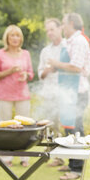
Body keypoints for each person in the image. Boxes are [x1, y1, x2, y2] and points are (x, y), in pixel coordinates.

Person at [48, 13, 90, 180]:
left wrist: (56, 64)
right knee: (68, 128)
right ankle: (72, 162)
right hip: (68, 92)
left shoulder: (79, 41)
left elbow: (76, 67)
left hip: (77, 93)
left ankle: (77, 169)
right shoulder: (70, 42)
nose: (62, 28)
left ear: (71, 24)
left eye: (63, 24)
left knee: (76, 130)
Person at [0, 25, 34, 167]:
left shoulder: (26, 54)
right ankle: (6, 157)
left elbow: (31, 74)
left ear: (21, 38)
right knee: (5, 127)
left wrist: (26, 75)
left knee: (24, 127)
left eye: (18, 35)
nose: (15, 38)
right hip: (4, 95)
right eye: (12, 35)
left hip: (23, 95)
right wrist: (9, 71)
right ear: (7, 38)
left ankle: (24, 157)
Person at [37, 18, 66, 167]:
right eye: (47, 30)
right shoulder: (45, 51)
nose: (49, 33)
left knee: (63, 126)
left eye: (52, 29)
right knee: (50, 126)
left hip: (65, 93)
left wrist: (58, 67)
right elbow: (40, 73)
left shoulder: (67, 47)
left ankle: (61, 157)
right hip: (49, 93)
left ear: (60, 28)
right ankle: (49, 154)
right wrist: (47, 71)